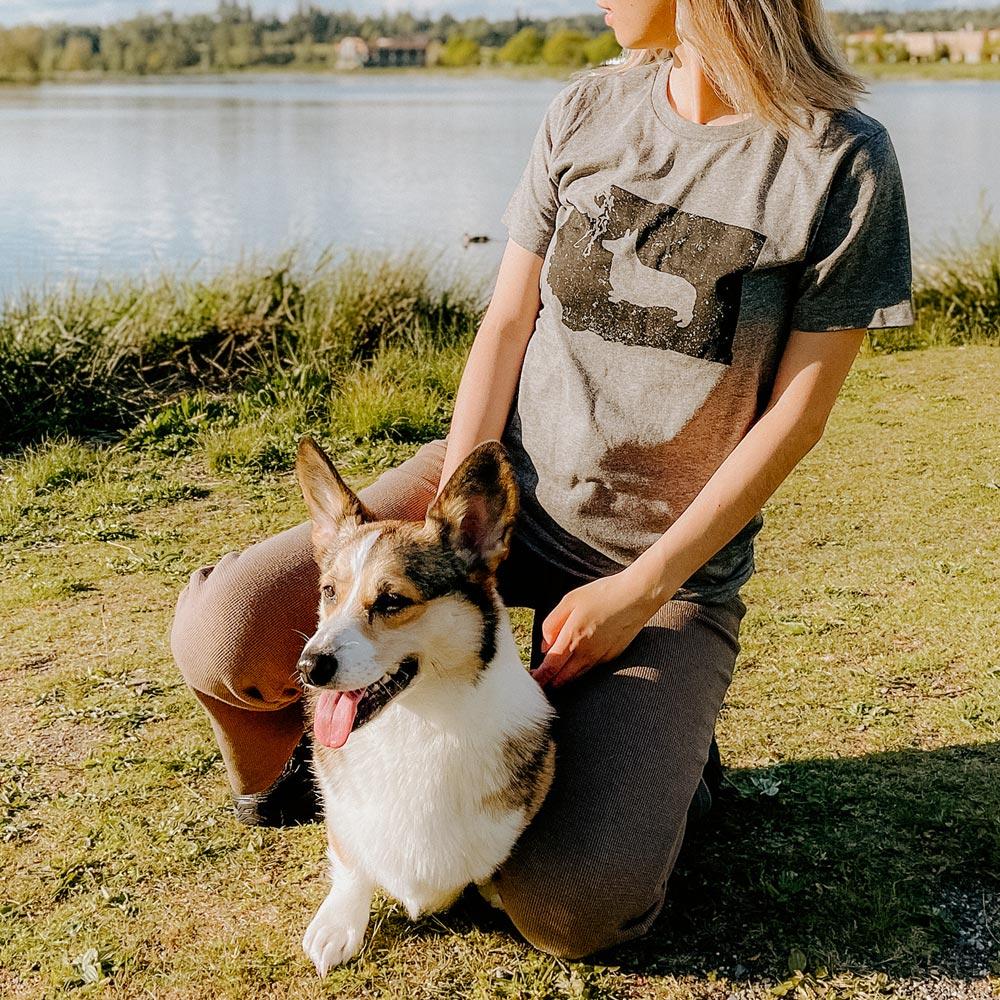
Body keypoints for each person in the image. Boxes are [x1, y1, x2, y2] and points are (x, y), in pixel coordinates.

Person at [171, 0, 913, 961]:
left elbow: (796, 418)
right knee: (224, 631)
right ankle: (295, 791)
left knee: (577, 907)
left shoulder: (841, 160)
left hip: (662, 572)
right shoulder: (587, 108)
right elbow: (508, 322)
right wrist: (449, 529)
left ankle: (671, 759)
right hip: (482, 503)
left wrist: (639, 591)